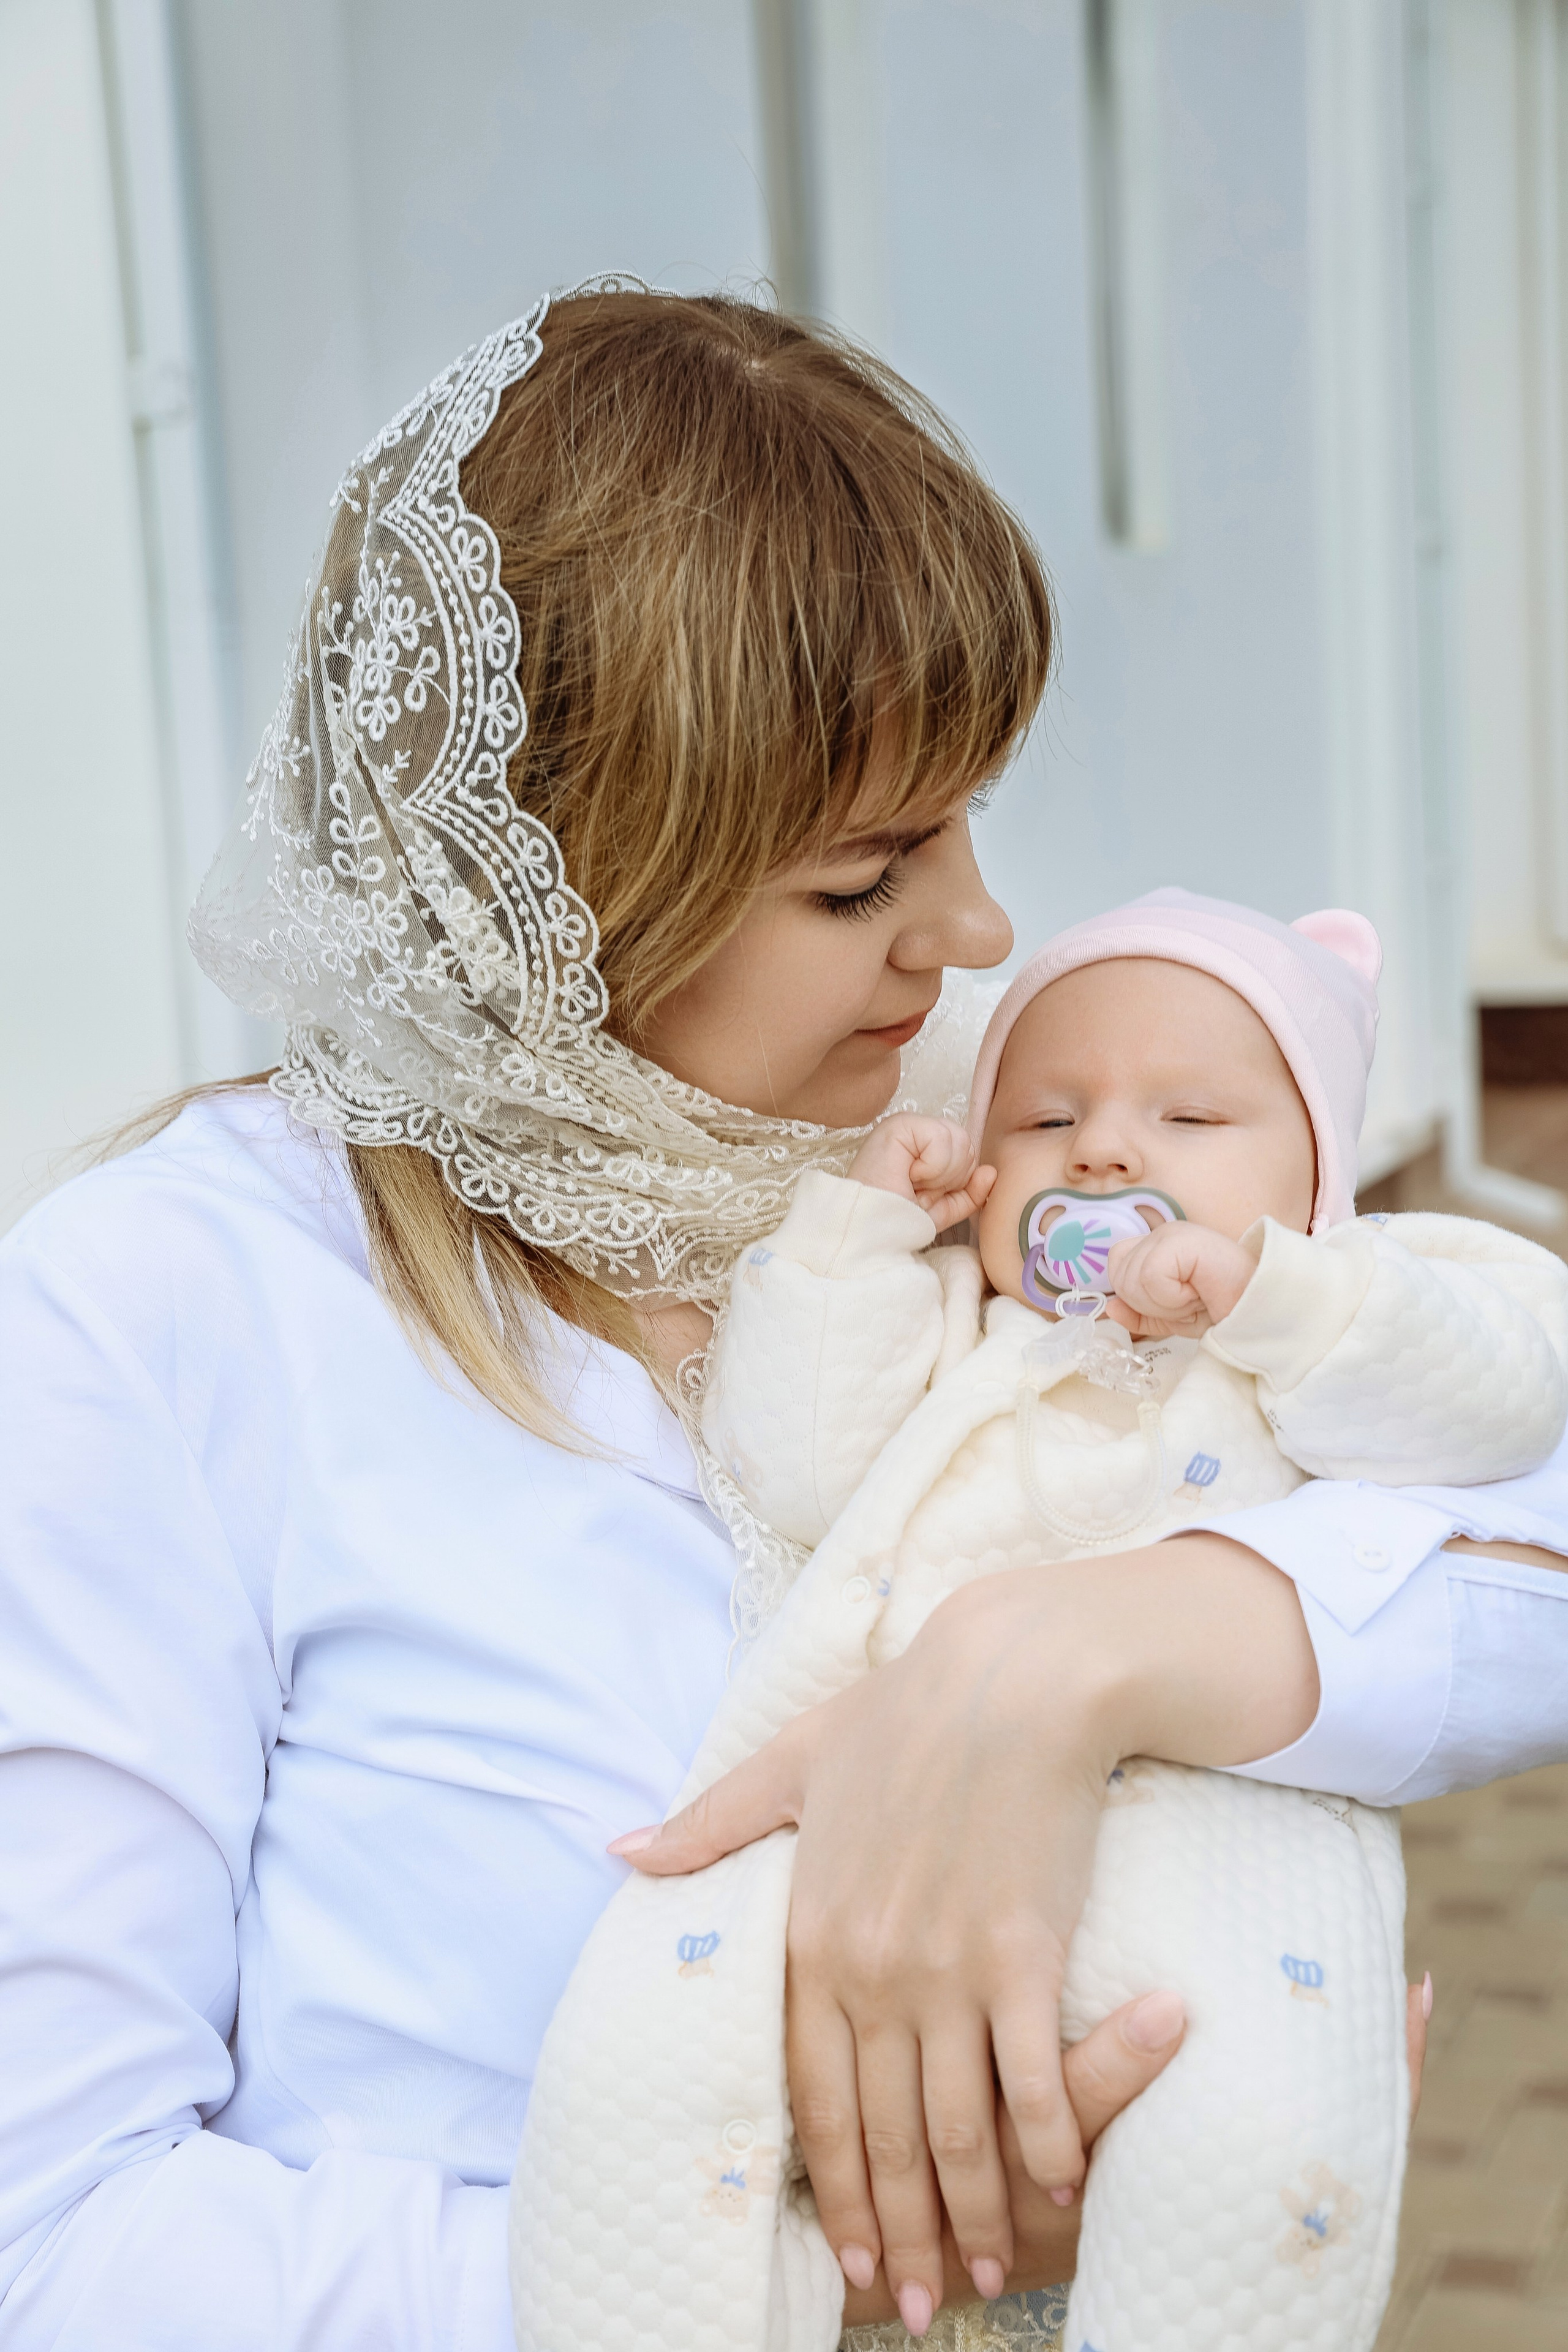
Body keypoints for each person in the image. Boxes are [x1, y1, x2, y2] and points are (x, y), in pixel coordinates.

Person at [0, 287, 1561, 2352]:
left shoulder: (977, 1134)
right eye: (864, 876)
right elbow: (60, 2243)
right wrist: (849, 2277)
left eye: (971, 819)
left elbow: (1502, 1469)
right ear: (563, 875)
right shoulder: (161, 1312)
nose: (983, 933)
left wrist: (1071, 1657)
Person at [532, 888, 1567, 2351]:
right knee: (635, 2060)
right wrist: (856, 1242)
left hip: (1215, 1832)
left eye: (1190, 1121)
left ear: (1321, 1176)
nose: (1101, 1152)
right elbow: (799, 1457)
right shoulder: (960, 1321)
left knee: (1254, 2132)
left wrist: (1278, 1299)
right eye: (1043, 1120)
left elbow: (1495, 1409)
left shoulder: (1342, 1318)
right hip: (869, 1800)